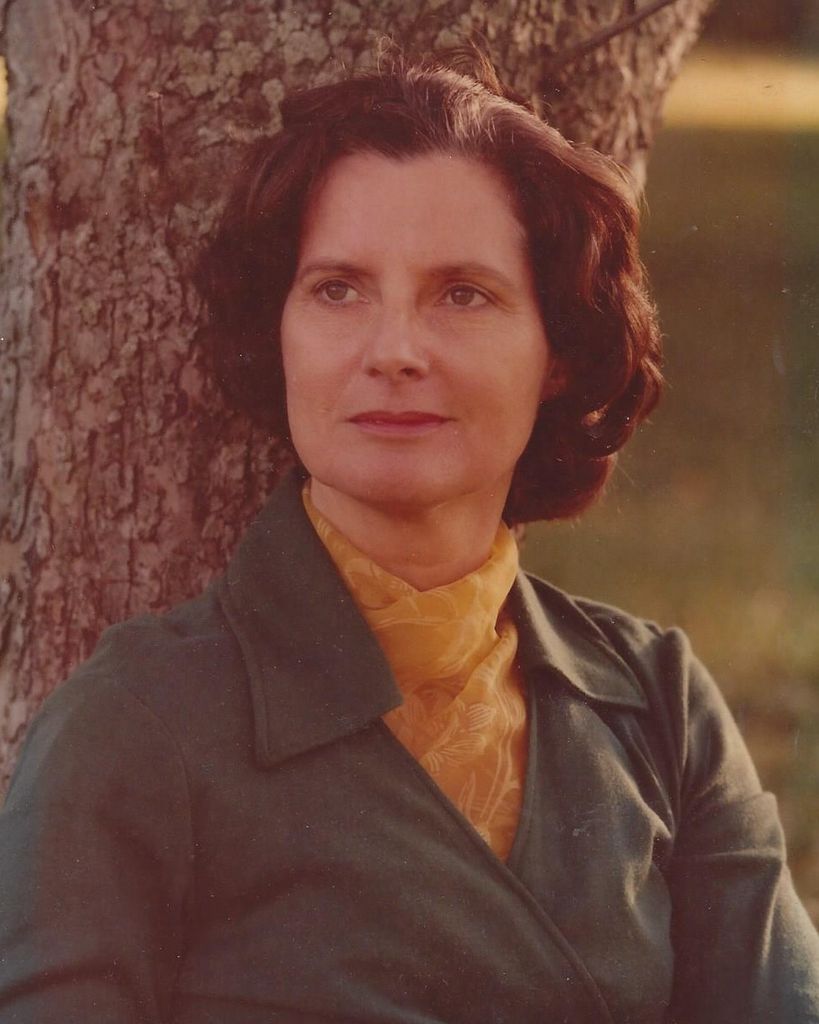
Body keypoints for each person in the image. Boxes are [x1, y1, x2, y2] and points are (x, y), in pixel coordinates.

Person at [1, 46, 817, 1024]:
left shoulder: (658, 706)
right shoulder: (135, 721)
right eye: (338, 289)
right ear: (279, 333)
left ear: (557, 352)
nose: (393, 351)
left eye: (462, 293)